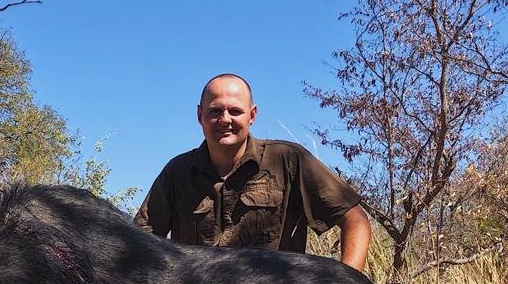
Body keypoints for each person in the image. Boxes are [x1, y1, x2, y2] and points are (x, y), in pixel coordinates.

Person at [134, 73, 371, 272]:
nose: (225, 119)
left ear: (252, 115)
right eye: (215, 111)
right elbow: (138, 243)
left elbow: (355, 219)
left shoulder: (288, 159)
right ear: (200, 115)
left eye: (235, 111)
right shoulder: (177, 172)